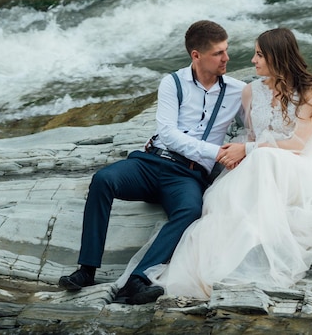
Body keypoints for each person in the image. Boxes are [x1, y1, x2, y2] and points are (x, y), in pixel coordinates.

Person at [116, 27, 312, 300]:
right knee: (230, 199)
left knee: (263, 158)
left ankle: (249, 252)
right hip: (260, 163)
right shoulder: (251, 91)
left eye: (259, 55)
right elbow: (251, 133)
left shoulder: (311, 92)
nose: (253, 61)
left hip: (296, 167)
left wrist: (248, 149)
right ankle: (205, 267)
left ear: (278, 57)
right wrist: (240, 152)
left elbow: (297, 144)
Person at [58, 20, 246, 305]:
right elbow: (169, 134)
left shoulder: (237, 90)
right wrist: (216, 152)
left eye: (226, 50)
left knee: (190, 210)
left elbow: (260, 125)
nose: (226, 58)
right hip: (151, 163)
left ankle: (139, 279)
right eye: (218, 53)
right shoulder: (172, 83)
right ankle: (86, 270)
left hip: (188, 175)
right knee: (103, 180)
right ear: (196, 55)